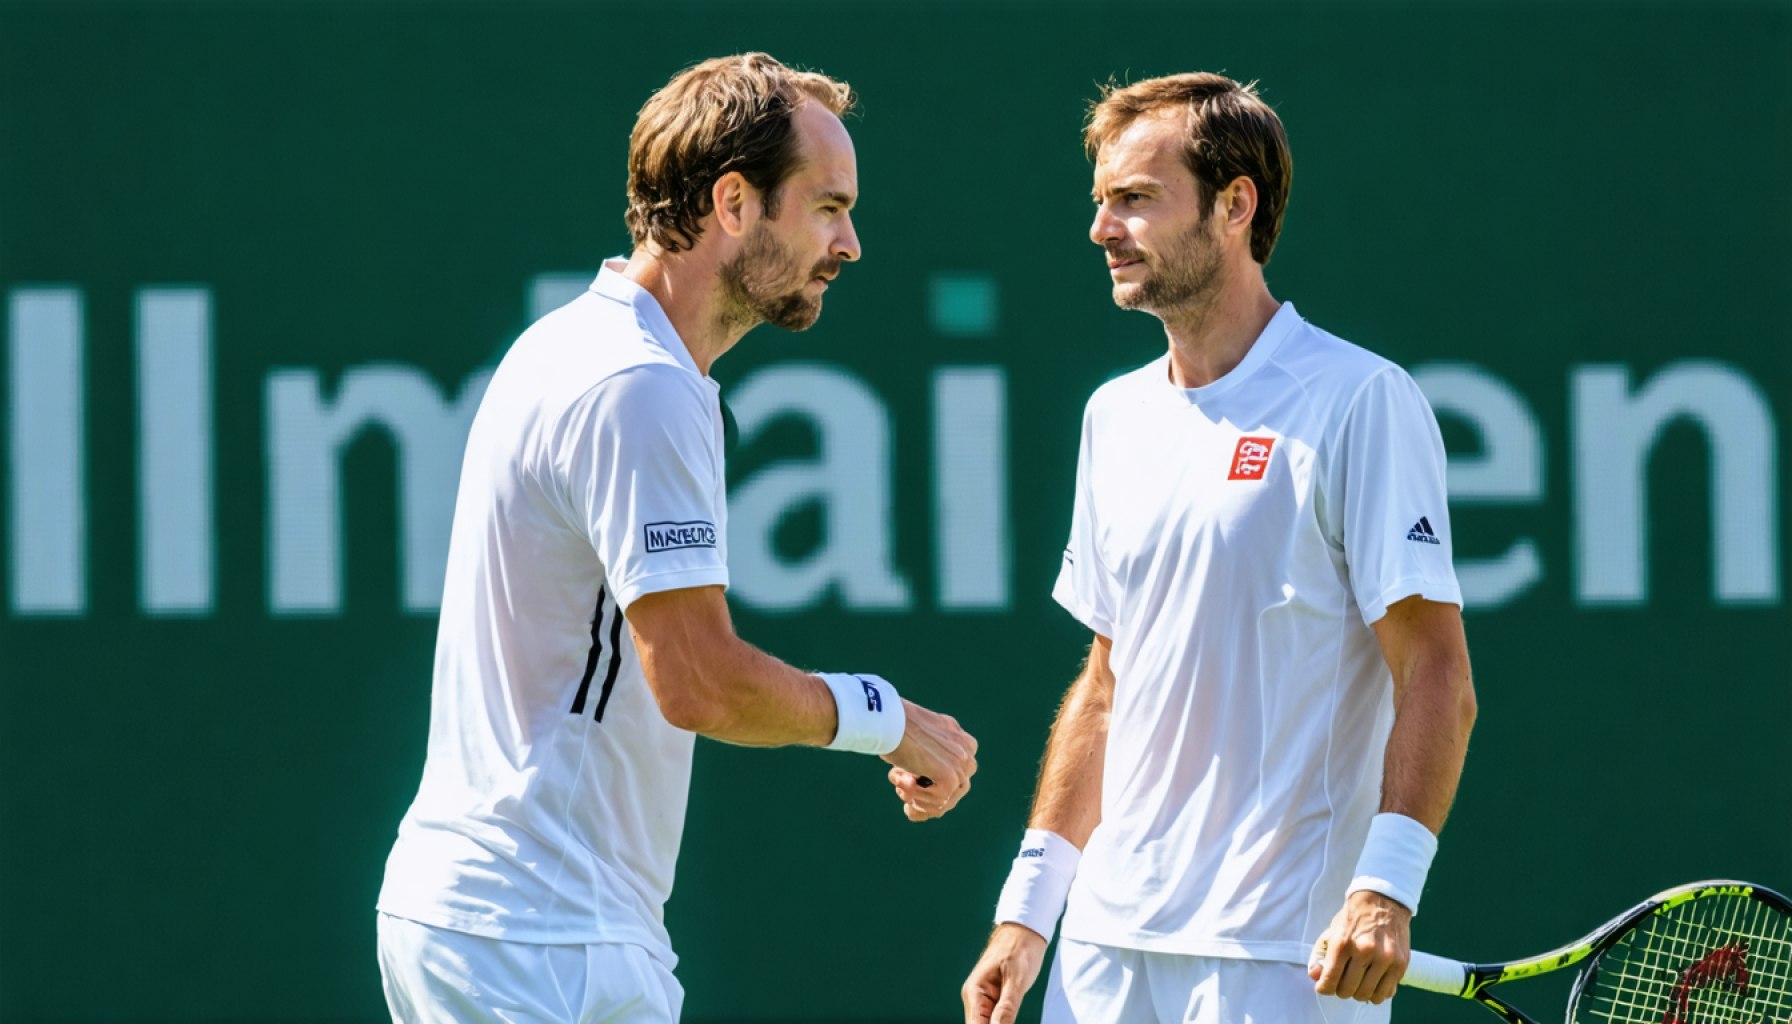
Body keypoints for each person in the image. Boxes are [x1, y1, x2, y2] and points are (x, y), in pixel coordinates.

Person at [375, 53, 978, 1023]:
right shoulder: (635, 385)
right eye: (826, 207)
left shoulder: (600, 349)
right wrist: (883, 716)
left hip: (529, 924)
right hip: (538, 939)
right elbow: (696, 679)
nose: (851, 242)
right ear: (732, 202)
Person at [961, 72, 1476, 1024]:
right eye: (1101, 202)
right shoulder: (1112, 416)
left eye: (1136, 200)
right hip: (1106, 951)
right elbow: (1109, 684)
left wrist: (1385, 890)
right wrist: (1027, 916)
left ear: (1235, 205)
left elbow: (1437, 672)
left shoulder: (1359, 400)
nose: (1102, 229)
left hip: (1281, 954)